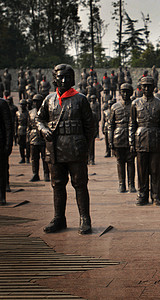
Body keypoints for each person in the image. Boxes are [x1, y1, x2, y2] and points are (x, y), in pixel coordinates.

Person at [37, 64, 95, 234]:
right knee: (57, 185)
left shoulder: (81, 99)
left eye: (67, 77)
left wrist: (84, 148)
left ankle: (85, 218)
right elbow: (39, 119)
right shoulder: (49, 100)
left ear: (73, 79)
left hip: (76, 149)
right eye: (60, 77)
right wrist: (43, 129)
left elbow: (90, 127)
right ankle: (58, 218)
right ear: (54, 79)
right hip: (55, 150)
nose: (63, 80)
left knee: (80, 185)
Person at [129, 76, 160, 206]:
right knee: (141, 171)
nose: (146, 89)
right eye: (144, 86)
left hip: (155, 139)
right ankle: (142, 195)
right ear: (140, 88)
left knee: (155, 170)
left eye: (149, 86)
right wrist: (131, 142)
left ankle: (156, 195)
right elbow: (131, 124)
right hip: (140, 139)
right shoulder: (135, 103)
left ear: (153, 87)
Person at [109, 83, 136, 193]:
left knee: (131, 162)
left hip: (130, 137)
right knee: (120, 162)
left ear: (131, 93)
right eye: (123, 91)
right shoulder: (115, 107)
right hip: (118, 137)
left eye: (127, 91)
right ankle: (122, 184)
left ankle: (131, 184)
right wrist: (110, 141)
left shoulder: (134, 105)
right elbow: (110, 125)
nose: (125, 94)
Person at [28, 94, 50, 182]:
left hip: (43, 137)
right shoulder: (30, 112)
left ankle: (46, 174)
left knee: (45, 158)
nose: (36, 103)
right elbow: (28, 126)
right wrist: (28, 137)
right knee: (34, 158)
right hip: (33, 137)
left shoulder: (46, 111)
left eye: (38, 101)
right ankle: (35, 174)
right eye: (34, 101)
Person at [0, 97, 13, 205]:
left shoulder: (2, 103)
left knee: (2, 171)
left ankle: (2, 196)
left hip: (1, 144)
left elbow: (8, 126)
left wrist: (9, 144)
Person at [16, 100, 29, 164]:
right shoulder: (18, 113)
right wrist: (15, 132)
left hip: (26, 130)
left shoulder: (28, 113)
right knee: (21, 146)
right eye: (21, 104)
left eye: (23, 104)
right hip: (20, 130)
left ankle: (28, 158)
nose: (21, 106)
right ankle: (22, 158)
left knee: (27, 146)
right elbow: (16, 123)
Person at [88, 95, 101, 165]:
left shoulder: (94, 114)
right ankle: (88, 159)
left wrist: (95, 133)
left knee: (92, 147)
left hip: (91, 133)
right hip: (87, 133)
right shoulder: (86, 114)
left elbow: (96, 125)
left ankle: (92, 159)